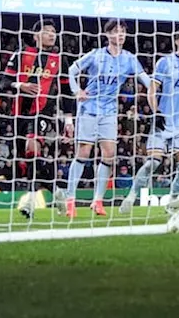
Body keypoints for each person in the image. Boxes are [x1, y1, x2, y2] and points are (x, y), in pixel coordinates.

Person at [64, 19, 155, 218]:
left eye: (123, 31)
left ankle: (98, 201)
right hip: (89, 107)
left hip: (110, 111)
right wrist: (76, 90)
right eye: (116, 31)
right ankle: (70, 199)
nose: (120, 35)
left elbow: (145, 79)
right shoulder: (96, 55)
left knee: (109, 154)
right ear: (107, 35)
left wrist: (156, 87)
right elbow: (72, 70)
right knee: (84, 151)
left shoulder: (129, 58)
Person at [120, 28, 179, 214]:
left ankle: (172, 204)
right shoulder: (165, 62)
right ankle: (131, 196)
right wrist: (155, 112)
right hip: (164, 121)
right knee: (153, 163)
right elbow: (152, 89)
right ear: (176, 40)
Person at [3, 18, 64, 219]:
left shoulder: (58, 58)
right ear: (36, 35)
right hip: (19, 112)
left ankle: (28, 203)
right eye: (47, 31)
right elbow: (4, 81)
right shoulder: (22, 54)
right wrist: (22, 86)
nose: (51, 34)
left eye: (54, 31)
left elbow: (66, 90)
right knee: (28, 160)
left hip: (43, 112)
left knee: (32, 148)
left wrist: (69, 120)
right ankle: (57, 192)